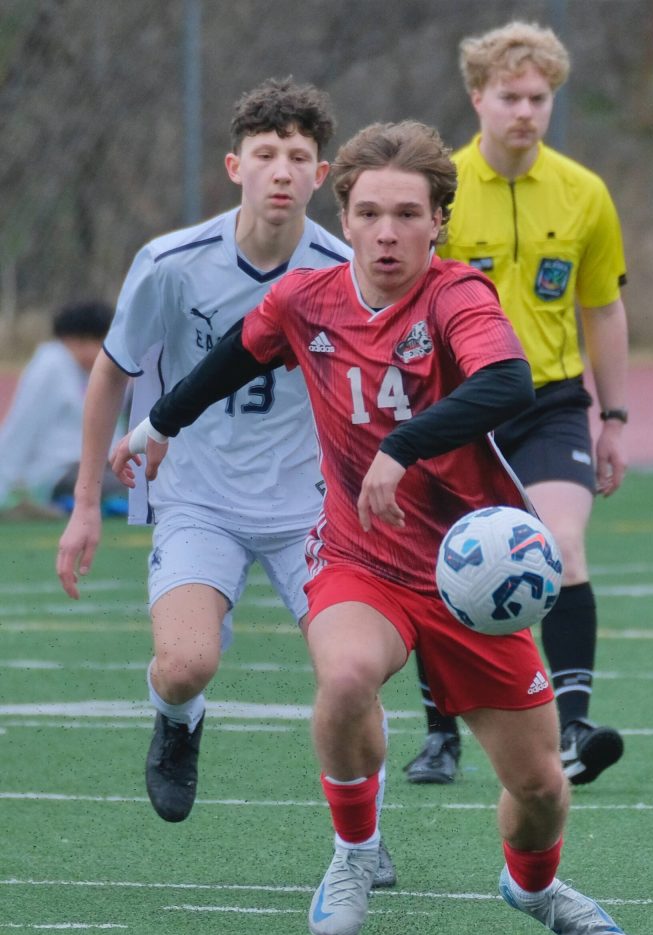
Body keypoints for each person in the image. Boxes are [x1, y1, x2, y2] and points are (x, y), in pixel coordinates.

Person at [114, 120, 631, 935]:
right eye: (369, 214)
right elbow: (238, 358)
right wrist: (157, 426)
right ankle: (354, 851)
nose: (387, 232)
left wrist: (401, 445)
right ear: (343, 216)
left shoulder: (457, 295)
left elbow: (506, 382)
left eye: (407, 214)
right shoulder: (305, 297)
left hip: (471, 575)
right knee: (347, 673)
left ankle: (533, 888)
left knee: (540, 789)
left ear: (438, 223)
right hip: (363, 557)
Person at [55, 78, 396, 887]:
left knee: (350, 679)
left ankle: (366, 835)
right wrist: (81, 509)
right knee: (184, 665)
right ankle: (177, 722)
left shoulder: (345, 270)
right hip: (197, 499)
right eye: (268, 154)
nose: (283, 170)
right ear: (235, 165)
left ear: (322, 178)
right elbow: (111, 373)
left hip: (313, 509)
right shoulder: (171, 264)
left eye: (301, 158)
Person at [407, 20, 629, 787]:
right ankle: (440, 733)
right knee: (443, 563)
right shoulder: (439, 191)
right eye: (510, 96)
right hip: (457, 405)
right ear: (478, 97)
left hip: (551, 402)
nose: (525, 111)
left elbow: (601, 308)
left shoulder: (583, 193)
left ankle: (572, 729)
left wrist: (616, 419)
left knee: (560, 544)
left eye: (539, 97)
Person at [0, 300, 123, 520]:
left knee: (143, 481)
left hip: (97, 467)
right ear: (72, 340)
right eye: (97, 342)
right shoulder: (50, 365)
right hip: (60, 472)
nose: (101, 351)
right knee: (131, 488)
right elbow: (21, 427)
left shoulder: (94, 371)